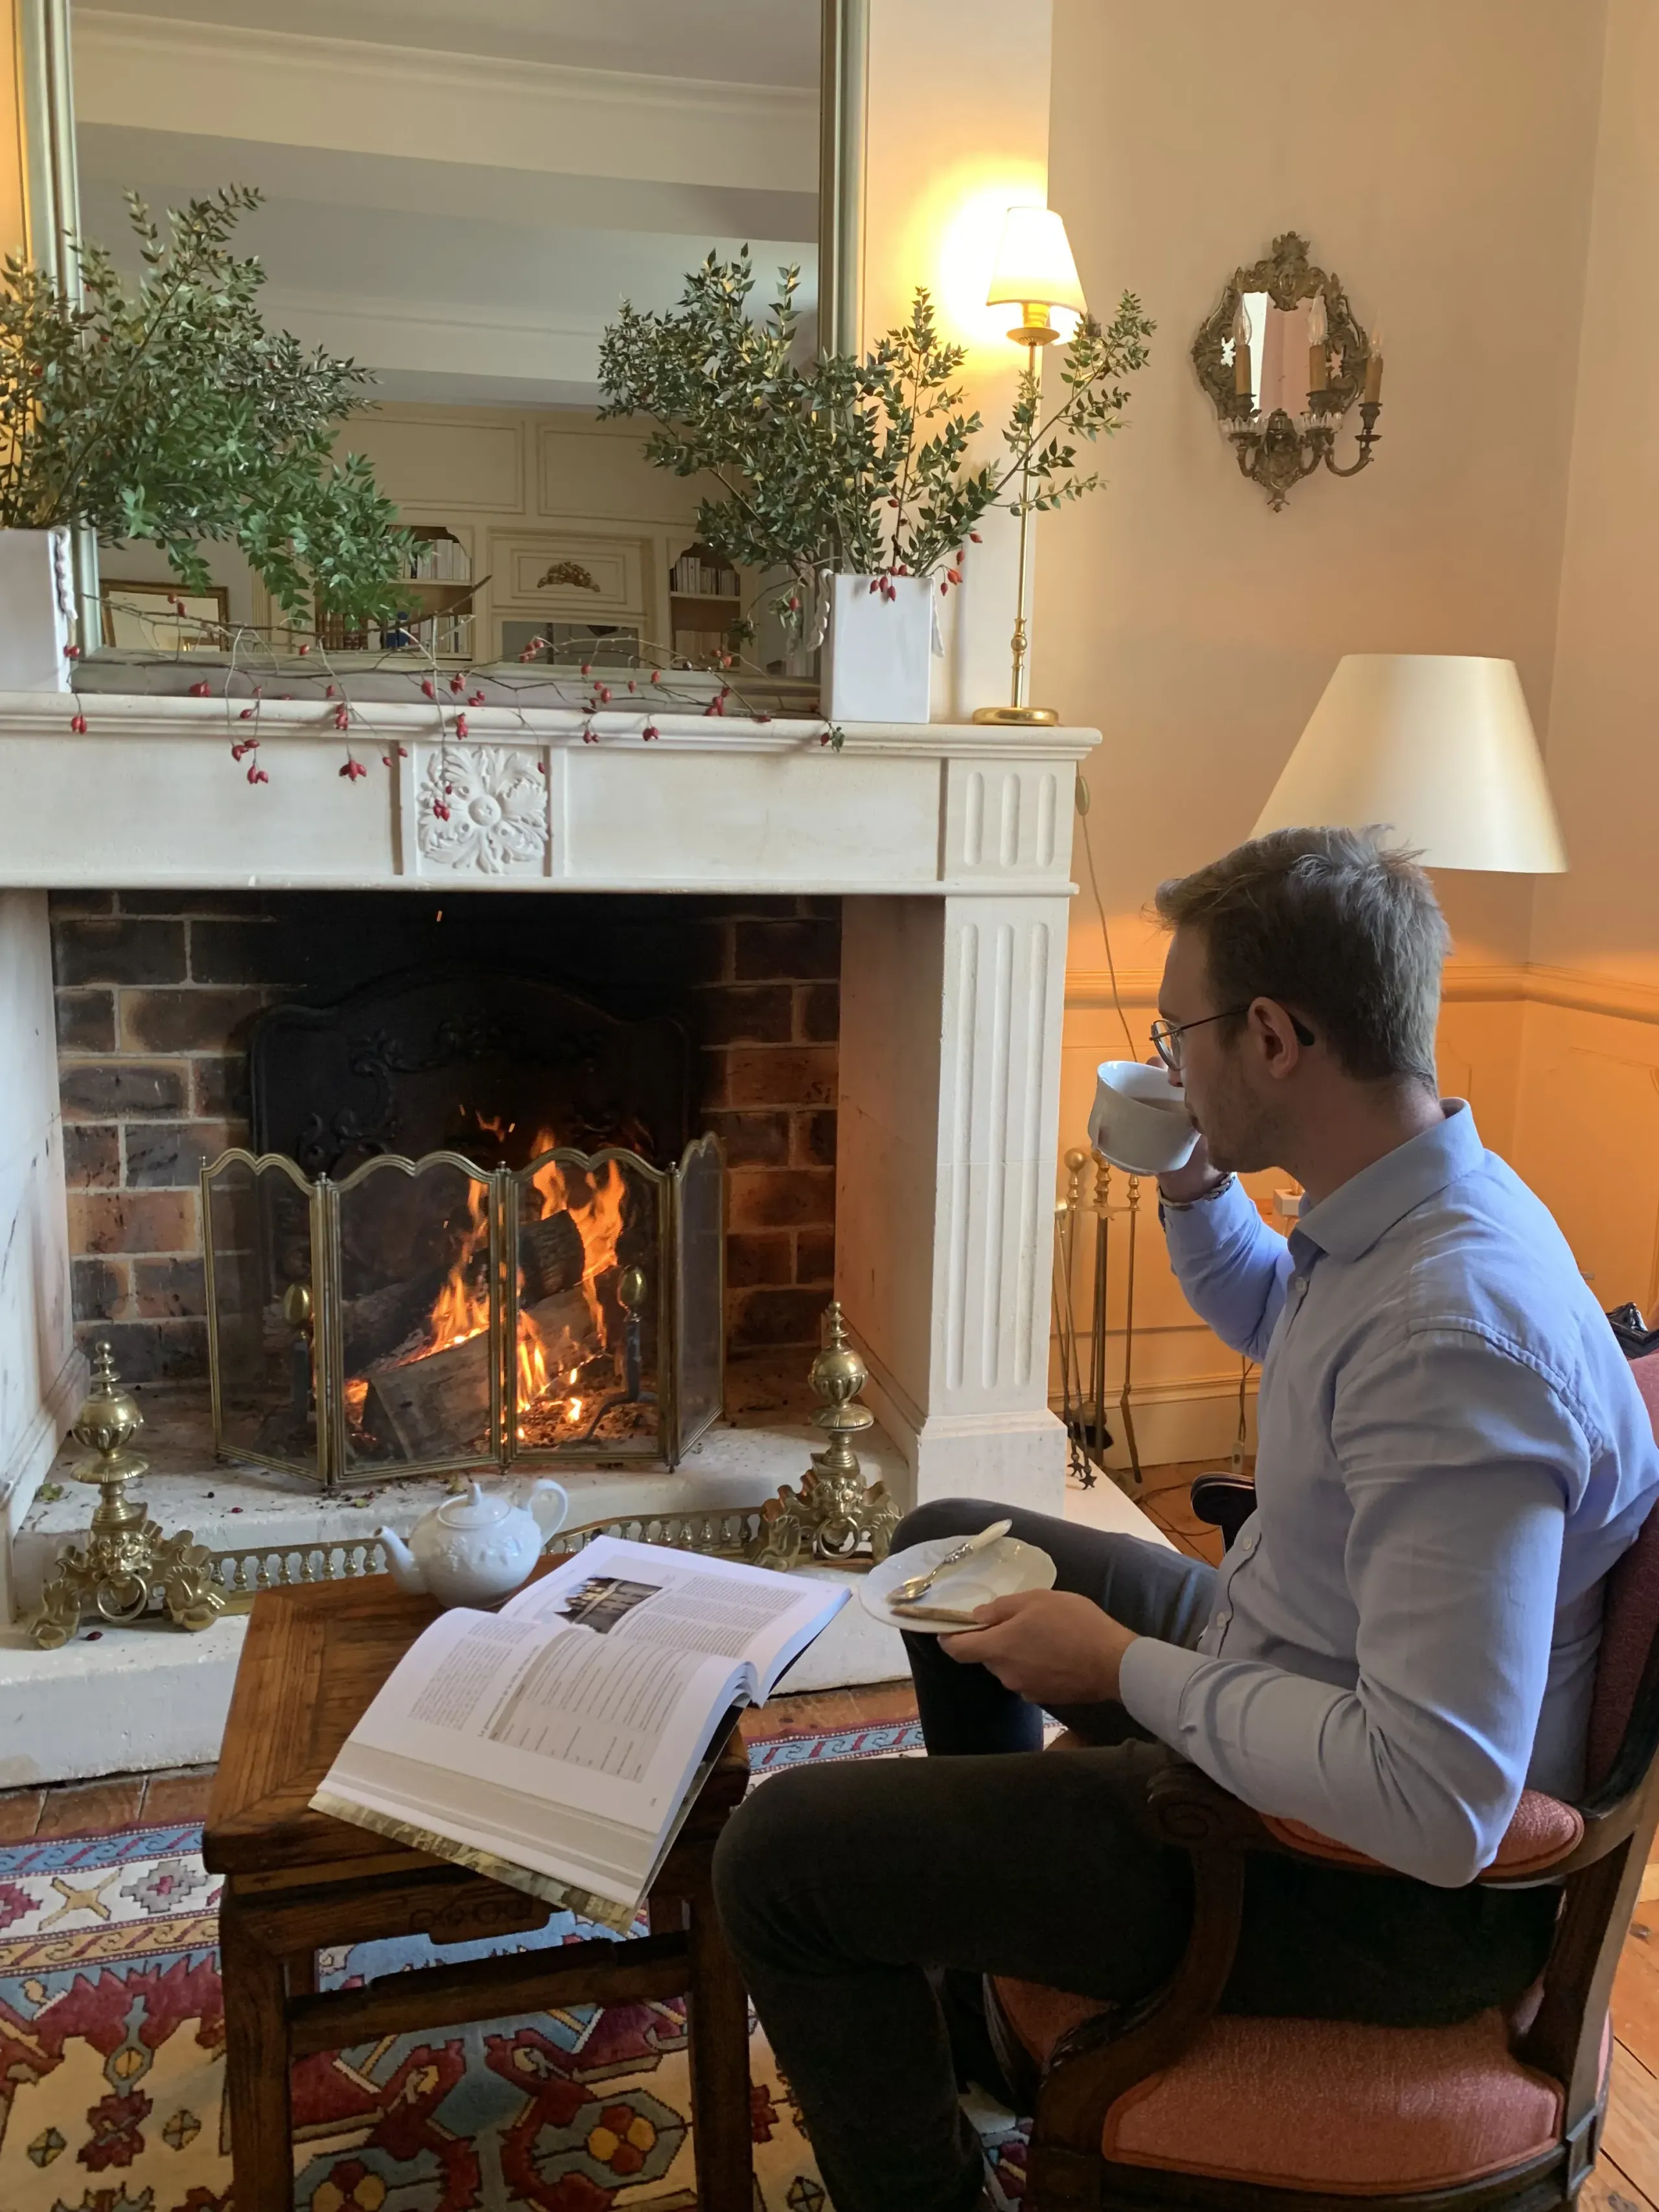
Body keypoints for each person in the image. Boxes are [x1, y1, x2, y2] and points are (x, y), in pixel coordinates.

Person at [712, 826, 1659, 2212]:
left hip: (1371, 1891)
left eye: (1180, 1027)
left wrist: (1116, 1670)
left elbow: (1437, 1801)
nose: (1166, 1055)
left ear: (1273, 1034)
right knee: (946, 1540)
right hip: (1289, 1653)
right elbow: (1277, 1311)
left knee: (776, 1857)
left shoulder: (1455, 1332)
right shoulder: (1410, 1204)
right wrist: (1192, 1174)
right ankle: (984, 1974)